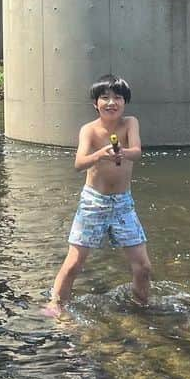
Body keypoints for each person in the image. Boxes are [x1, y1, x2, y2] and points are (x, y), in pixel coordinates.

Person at [46, 74, 151, 314]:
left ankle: (141, 306)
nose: (111, 102)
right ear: (96, 103)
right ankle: (55, 305)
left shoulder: (130, 123)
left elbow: (136, 152)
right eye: (105, 98)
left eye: (117, 98)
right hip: (94, 202)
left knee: (143, 267)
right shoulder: (89, 130)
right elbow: (79, 163)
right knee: (74, 264)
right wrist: (100, 155)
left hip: (123, 203)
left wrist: (121, 152)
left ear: (125, 102)